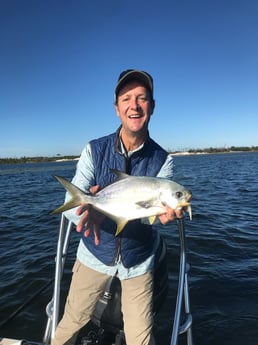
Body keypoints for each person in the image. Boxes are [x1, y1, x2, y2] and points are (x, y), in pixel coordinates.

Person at [51, 69, 183, 345]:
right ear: (117, 108)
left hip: (139, 262)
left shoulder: (163, 160)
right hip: (94, 255)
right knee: (70, 324)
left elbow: (150, 217)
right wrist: (87, 209)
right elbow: (69, 206)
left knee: (141, 338)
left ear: (152, 106)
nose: (134, 106)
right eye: (126, 98)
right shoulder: (94, 149)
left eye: (142, 98)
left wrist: (161, 217)